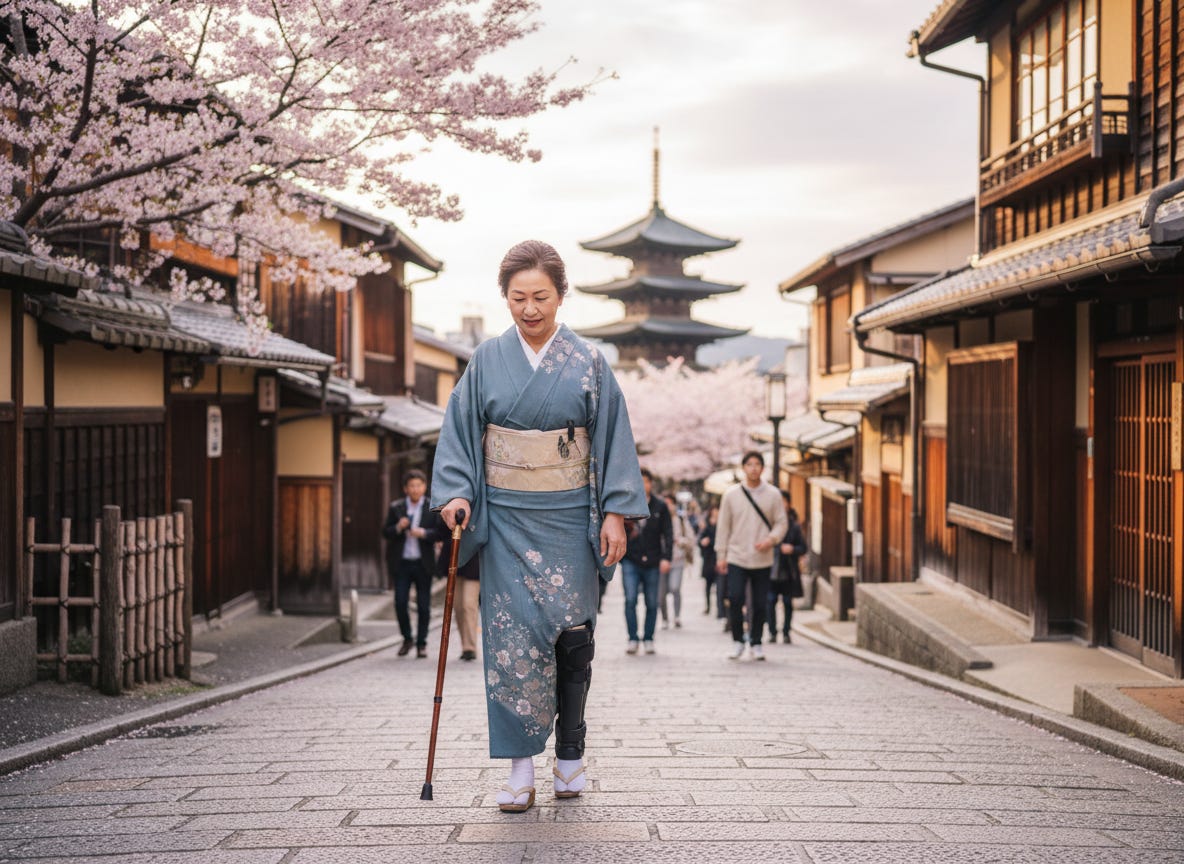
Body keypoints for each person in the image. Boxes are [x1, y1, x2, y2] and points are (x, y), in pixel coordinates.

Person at [431, 239, 647, 814]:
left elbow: (614, 439)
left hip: (570, 517)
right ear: (505, 297)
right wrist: (455, 492)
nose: (530, 309)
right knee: (510, 642)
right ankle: (521, 770)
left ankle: (570, 757)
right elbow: (458, 431)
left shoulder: (590, 362)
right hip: (505, 519)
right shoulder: (485, 361)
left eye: (541, 297)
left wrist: (617, 513)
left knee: (571, 637)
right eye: (518, 297)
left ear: (561, 295)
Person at [715, 451, 787, 661]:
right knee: (735, 598)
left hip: (762, 557)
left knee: (760, 603)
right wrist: (721, 554)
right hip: (737, 556)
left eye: (757, 464)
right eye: (750, 464)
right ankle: (738, 640)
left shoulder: (773, 494)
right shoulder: (731, 495)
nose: (754, 468)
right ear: (743, 468)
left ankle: (756, 641)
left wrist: (771, 540)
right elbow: (723, 527)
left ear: (763, 468)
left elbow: (781, 522)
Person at [382, 469, 442, 659]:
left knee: (424, 606)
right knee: (400, 602)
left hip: (423, 563)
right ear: (405, 489)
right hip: (402, 563)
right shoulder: (396, 507)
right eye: (412, 486)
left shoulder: (432, 507)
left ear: (424, 487)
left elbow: (440, 533)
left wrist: (423, 533)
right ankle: (407, 638)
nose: (415, 489)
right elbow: (385, 532)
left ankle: (421, 643)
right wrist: (398, 527)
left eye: (419, 485)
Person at [622, 468, 672, 655]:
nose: (643, 485)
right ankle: (633, 638)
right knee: (630, 599)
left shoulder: (660, 506)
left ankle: (649, 638)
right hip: (631, 560)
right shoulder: (625, 504)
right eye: (639, 481)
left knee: (652, 602)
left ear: (651, 483)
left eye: (646, 481)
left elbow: (668, 533)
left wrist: (667, 557)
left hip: (653, 560)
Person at [767, 491, 808, 644]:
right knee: (770, 601)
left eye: (784, 502)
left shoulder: (794, 526)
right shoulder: (768, 524)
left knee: (787, 602)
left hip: (788, 570)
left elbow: (803, 547)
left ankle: (786, 632)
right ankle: (771, 632)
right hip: (771, 569)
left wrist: (792, 549)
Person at [440, 531, 481, 661]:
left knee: (468, 605)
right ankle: (465, 645)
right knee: (457, 607)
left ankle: (470, 647)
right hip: (454, 559)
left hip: (474, 562)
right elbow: (439, 529)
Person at [659, 492, 694, 629]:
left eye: (670, 504)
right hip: (661, 561)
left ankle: (677, 616)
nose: (668, 507)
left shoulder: (680, 520)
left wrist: (680, 541)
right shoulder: (658, 519)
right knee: (661, 594)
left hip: (677, 560)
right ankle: (665, 619)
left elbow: (691, 539)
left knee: (675, 588)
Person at [697, 505, 721, 617]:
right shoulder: (706, 525)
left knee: (719, 586)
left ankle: (719, 608)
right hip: (708, 559)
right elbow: (699, 540)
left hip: (718, 558)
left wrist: (709, 541)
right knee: (708, 585)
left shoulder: (722, 524)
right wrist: (702, 542)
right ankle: (708, 606)